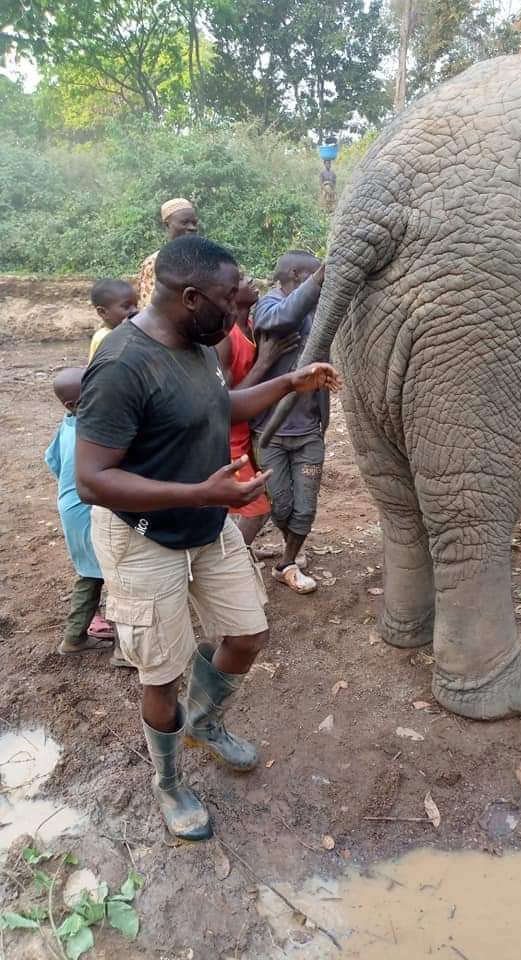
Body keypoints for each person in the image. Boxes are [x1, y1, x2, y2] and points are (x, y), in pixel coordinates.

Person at [75, 235, 340, 841]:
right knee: (160, 674)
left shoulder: (198, 347)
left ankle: (204, 720)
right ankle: (168, 782)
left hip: (206, 520)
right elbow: (92, 479)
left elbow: (220, 408)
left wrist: (292, 382)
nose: (239, 305)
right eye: (228, 296)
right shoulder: (121, 364)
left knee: (247, 634)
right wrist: (203, 494)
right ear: (191, 297)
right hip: (144, 538)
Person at [251, 251, 327, 595]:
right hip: (271, 432)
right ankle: (291, 546)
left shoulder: (312, 313)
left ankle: (288, 561)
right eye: (311, 277)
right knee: (280, 504)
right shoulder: (268, 306)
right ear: (296, 276)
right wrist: (320, 278)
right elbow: (279, 319)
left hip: (308, 430)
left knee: (306, 507)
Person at [45, 368, 125, 663]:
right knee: (116, 578)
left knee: (90, 576)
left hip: (71, 508)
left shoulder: (67, 426)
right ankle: (124, 650)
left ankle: (74, 638)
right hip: (87, 511)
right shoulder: (89, 431)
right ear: (72, 405)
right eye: (91, 394)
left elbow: (52, 460)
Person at [216, 275, 300, 547]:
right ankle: (233, 562)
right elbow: (227, 403)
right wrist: (265, 362)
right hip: (228, 439)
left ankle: (240, 552)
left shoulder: (252, 326)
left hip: (250, 432)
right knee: (257, 508)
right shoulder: (226, 338)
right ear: (228, 292)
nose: (250, 279)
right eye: (239, 278)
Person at [137, 198, 199, 309]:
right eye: (184, 223)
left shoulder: (203, 258)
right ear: (167, 225)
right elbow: (148, 307)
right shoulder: (154, 262)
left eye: (194, 223)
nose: (192, 227)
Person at [88, 279, 138, 362]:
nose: (135, 310)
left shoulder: (127, 332)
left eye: (135, 305)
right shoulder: (105, 338)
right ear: (102, 312)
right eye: (126, 306)